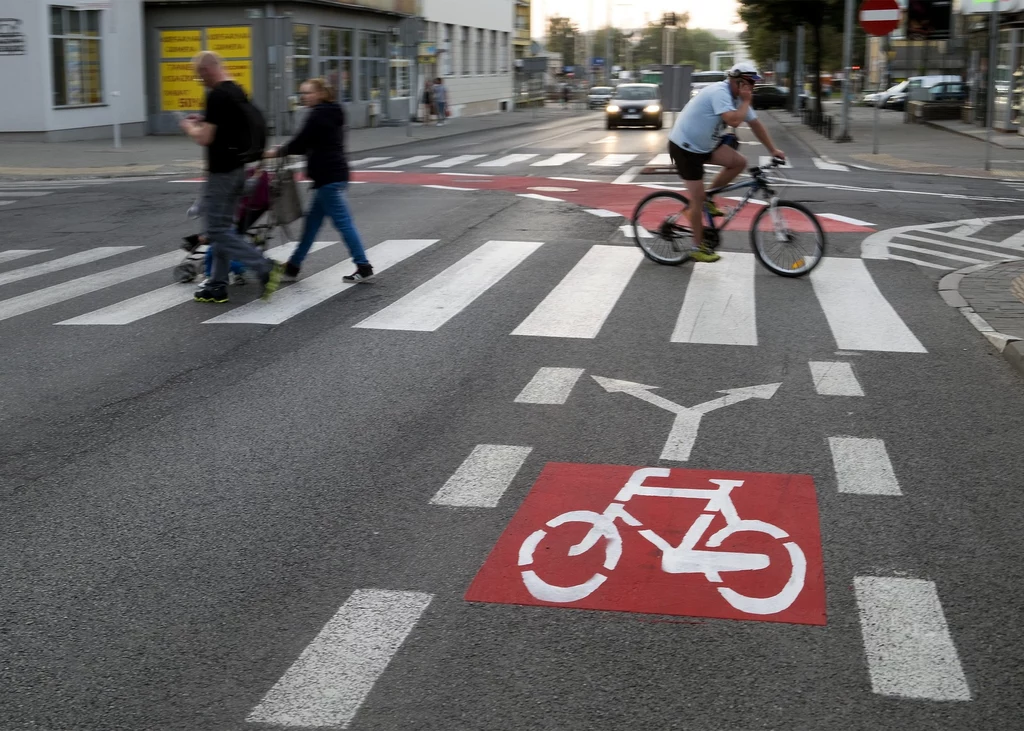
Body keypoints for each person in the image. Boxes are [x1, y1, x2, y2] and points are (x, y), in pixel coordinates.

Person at [179, 51, 282, 303]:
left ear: (206, 70)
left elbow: (205, 138)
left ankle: (264, 267)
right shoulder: (237, 91)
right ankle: (217, 284)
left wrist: (190, 127)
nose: (200, 81)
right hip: (239, 170)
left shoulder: (217, 95)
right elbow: (227, 128)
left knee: (217, 229)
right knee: (223, 230)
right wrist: (205, 120)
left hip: (222, 173)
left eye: (199, 76)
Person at [667, 62, 786, 263]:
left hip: (706, 145)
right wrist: (746, 101)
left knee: (739, 162)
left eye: (753, 84)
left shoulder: (738, 97)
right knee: (696, 198)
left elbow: (755, 124)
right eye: (750, 83)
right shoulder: (720, 93)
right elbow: (733, 120)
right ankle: (697, 247)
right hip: (685, 148)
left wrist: (773, 150)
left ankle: (708, 200)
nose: (752, 88)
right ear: (737, 81)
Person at [265, 77, 373, 282]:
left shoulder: (317, 115)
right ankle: (294, 265)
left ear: (321, 93)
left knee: (343, 223)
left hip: (328, 178)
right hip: (334, 175)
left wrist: (276, 152)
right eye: (302, 93)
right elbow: (309, 143)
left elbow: (300, 143)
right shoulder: (334, 111)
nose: (304, 97)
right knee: (312, 225)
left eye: (308, 93)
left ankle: (363, 265)